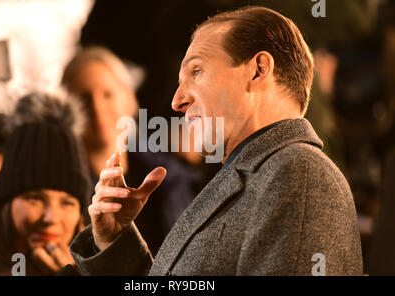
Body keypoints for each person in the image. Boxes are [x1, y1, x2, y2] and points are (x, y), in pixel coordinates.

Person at [69, 6, 363, 275]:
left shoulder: (298, 174)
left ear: (258, 70)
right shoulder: (256, 176)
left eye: (196, 71)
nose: (177, 101)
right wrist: (115, 243)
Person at [62, 47, 203, 255]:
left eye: (108, 94)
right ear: (65, 110)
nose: (97, 107)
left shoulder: (173, 179)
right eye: (83, 98)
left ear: (129, 99)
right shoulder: (60, 195)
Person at [0, 93, 91, 275]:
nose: (51, 218)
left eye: (67, 203)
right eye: (35, 199)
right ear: (6, 202)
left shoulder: (87, 253)